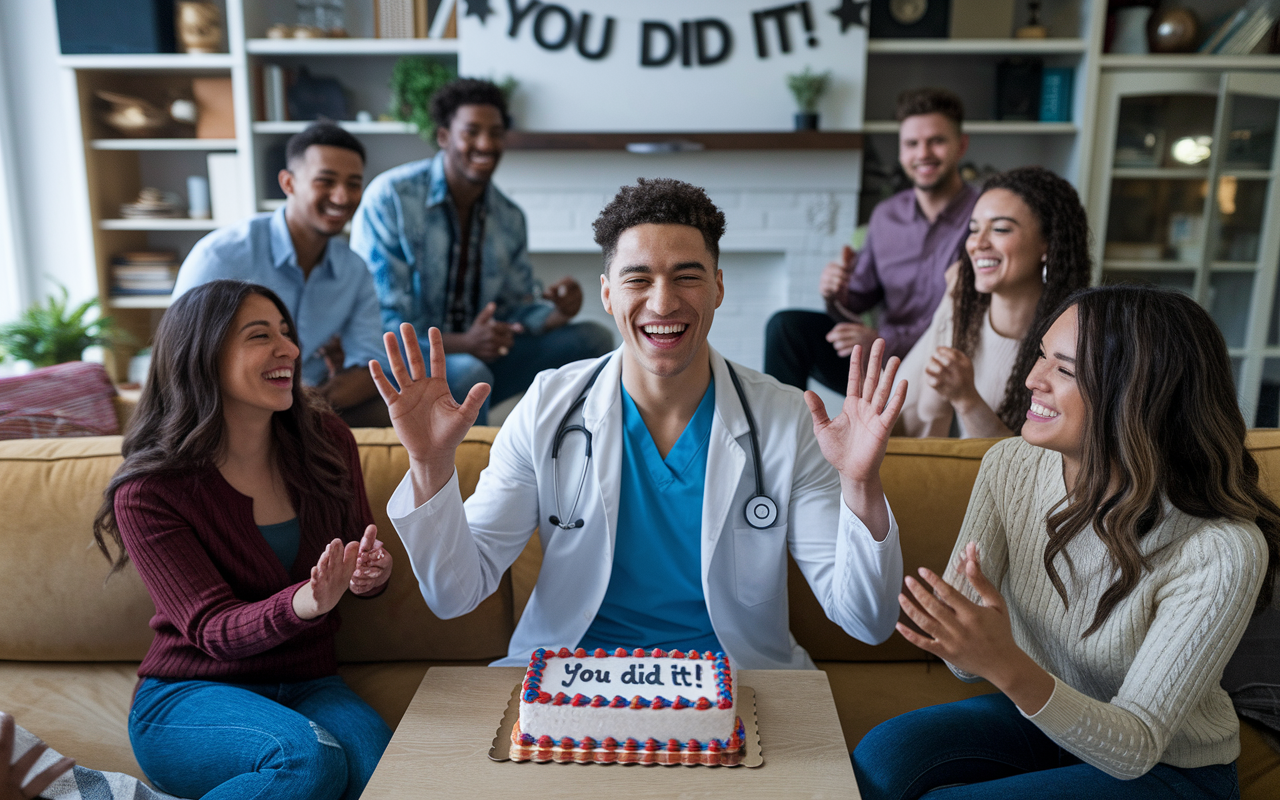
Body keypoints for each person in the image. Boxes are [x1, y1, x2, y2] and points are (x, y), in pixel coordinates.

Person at [371, 177, 905, 669]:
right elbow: (454, 594)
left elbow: (867, 622)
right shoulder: (547, 406)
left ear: (718, 288)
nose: (663, 301)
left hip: (738, 684)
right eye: (638, 279)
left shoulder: (786, 418)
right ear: (607, 293)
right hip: (571, 679)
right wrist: (430, 464)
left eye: (687, 277)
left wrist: (860, 483)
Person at [853, 285, 1280, 799]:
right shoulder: (1009, 466)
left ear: (1136, 395)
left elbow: (1136, 745)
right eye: (1040, 356)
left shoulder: (1221, 549)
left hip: (1168, 768)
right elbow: (963, 664)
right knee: (882, 756)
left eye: (1065, 369)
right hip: (1047, 720)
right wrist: (971, 642)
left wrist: (1006, 662)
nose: (1033, 379)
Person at [91, 281, 394, 800]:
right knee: (307, 760)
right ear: (203, 356)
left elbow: (354, 553)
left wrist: (369, 575)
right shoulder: (148, 490)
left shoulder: (328, 442)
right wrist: (305, 601)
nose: (290, 350)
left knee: (390, 779)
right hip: (193, 694)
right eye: (260, 336)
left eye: (286, 332)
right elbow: (211, 628)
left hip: (310, 682)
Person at [350, 78, 613, 425]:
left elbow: (513, 307)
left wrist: (556, 313)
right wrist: (465, 343)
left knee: (592, 341)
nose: (486, 144)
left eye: (496, 133)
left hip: (478, 359)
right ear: (444, 136)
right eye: (471, 131)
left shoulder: (509, 217)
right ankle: (475, 475)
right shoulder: (391, 198)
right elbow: (385, 325)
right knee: (469, 372)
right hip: (407, 363)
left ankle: (566, 459)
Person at [173, 123, 390, 428]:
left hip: (308, 404)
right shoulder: (220, 256)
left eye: (353, 184)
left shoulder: (354, 270)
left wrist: (301, 406)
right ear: (288, 183)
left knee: (392, 409)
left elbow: (372, 369)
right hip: (226, 407)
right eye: (325, 181)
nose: (342, 197)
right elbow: (181, 361)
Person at [765, 87, 978, 391]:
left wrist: (883, 340)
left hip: (943, 361)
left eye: (937, 141)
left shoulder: (984, 218)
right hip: (880, 356)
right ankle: (778, 436)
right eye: (912, 144)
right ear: (901, 151)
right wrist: (836, 290)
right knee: (786, 327)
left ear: (961, 145)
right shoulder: (886, 216)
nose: (923, 154)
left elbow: (971, 318)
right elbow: (857, 299)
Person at [895, 166, 1091, 438]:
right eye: (974, 229)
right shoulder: (960, 302)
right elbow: (909, 403)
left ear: (1047, 244)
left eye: (1000, 229)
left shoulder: (1075, 335)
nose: (977, 243)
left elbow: (1034, 464)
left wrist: (966, 399)